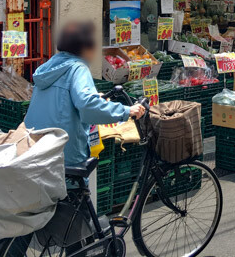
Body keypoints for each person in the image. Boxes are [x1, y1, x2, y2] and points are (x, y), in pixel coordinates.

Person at [25, 21, 145, 167]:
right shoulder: (78, 68)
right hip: (62, 153)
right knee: (71, 188)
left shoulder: (51, 66)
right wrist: (126, 111)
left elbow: (62, 101)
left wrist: (96, 97)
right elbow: (87, 105)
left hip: (35, 146)